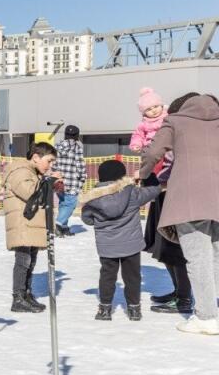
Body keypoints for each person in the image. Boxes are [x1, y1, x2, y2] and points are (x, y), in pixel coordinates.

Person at [137, 93, 219, 335]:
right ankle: (213, 310)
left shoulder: (175, 121)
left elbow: (153, 153)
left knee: (198, 257)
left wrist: (142, 174)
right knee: (215, 255)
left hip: (189, 197)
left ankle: (206, 317)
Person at [79, 159, 159, 321]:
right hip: (131, 244)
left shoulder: (93, 198)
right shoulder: (132, 192)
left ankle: (105, 309)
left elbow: (87, 219)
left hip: (107, 246)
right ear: (122, 176)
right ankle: (134, 309)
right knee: (132, 277)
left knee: (107, 276)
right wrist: (149, 178)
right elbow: (153, 191)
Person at [143, 92, 198, 315]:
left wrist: (146, 172)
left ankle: (184, 299)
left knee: (176, 249)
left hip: (180, 197)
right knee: (164, 247)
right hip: (165, 191)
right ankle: (178, 291)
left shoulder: (193, 134)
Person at [4, 141, 62, 313]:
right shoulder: (20, 171)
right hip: (22, 224)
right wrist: (49, 181)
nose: (50, 165)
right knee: (23, 261)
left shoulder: (32, 172)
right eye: (49, 161)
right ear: (36, 157)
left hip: (30, 223)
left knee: (31, 259)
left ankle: (27, 294)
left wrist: (50, 183)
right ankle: (18, 297)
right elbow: (30, 192)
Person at [54, 125, 85, 237]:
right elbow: (79, 164)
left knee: (63, 203)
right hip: (72, 181)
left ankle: (64, 227)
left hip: (59, 181)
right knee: (71, 204)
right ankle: (57, 225)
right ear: (77, 136)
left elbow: (53, 163)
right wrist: (83, 176)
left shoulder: (57, 147)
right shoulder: (76, 147)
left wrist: (56, 176)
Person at [129, 87, 167, 153]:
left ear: (161, 105)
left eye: (156, 106)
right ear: (144, 112)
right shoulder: (144, 123)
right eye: (149, 109)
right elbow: (138, 135)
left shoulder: (168, 116)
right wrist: (136, 145)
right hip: (151, 148)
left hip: (167, 145)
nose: (154, 110)